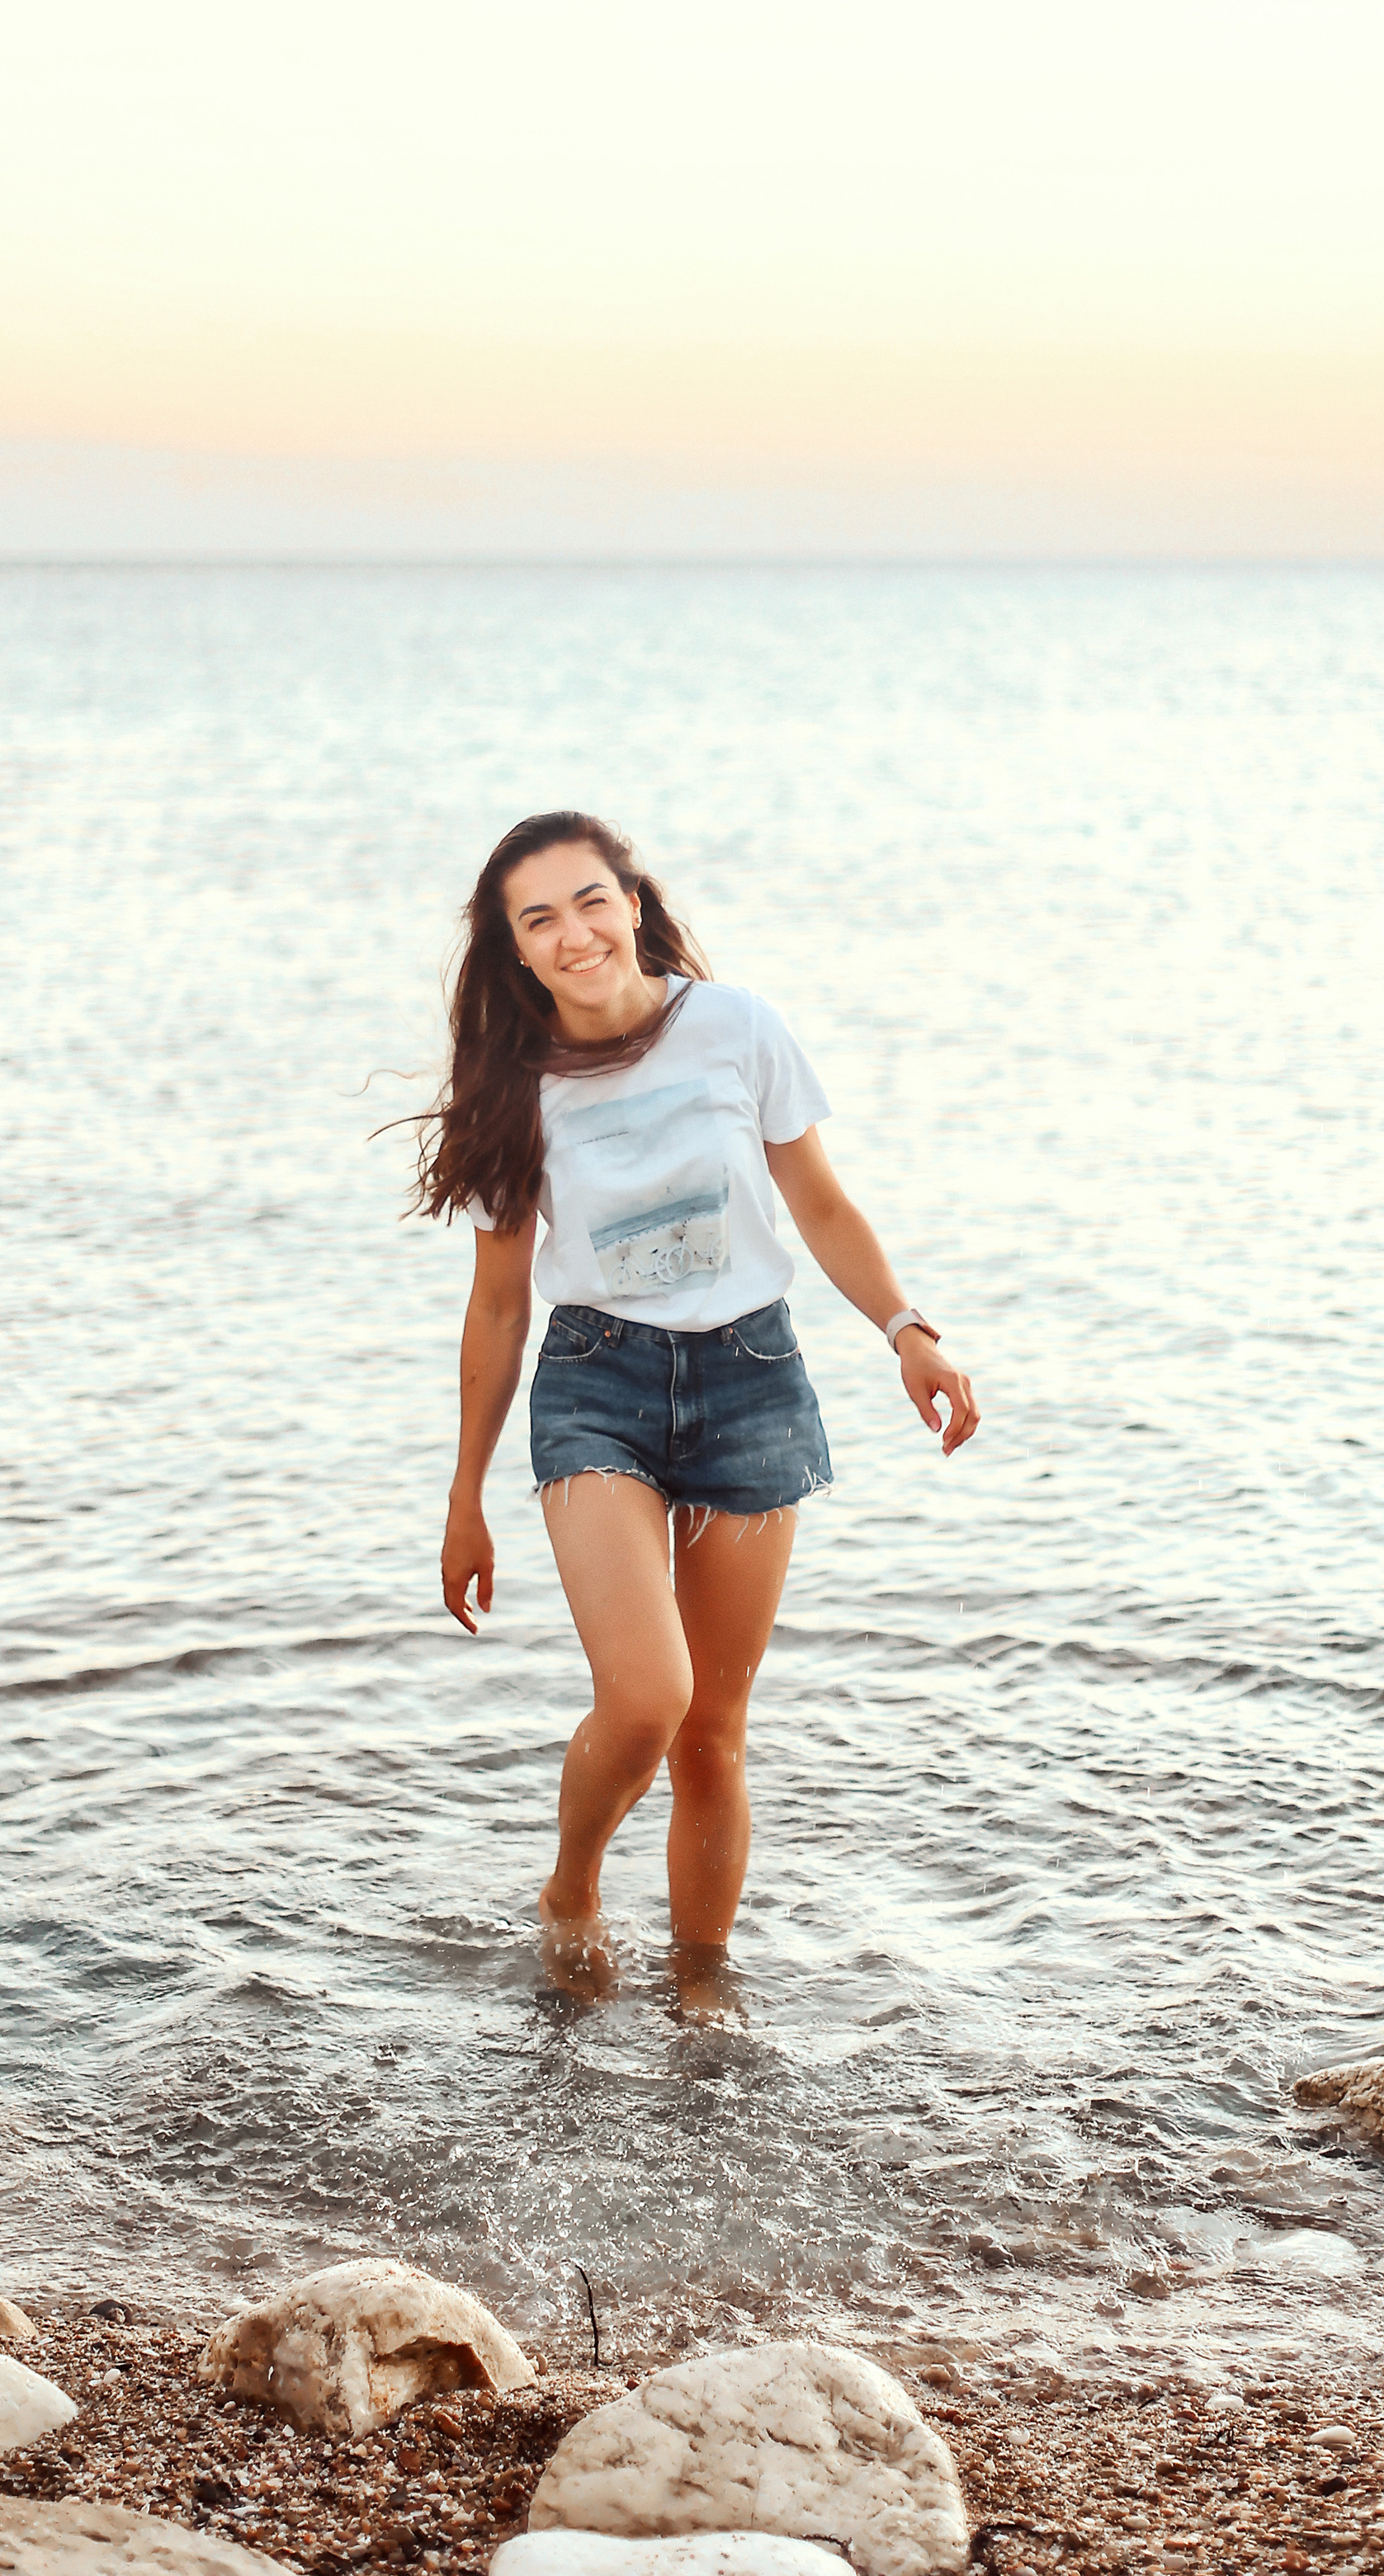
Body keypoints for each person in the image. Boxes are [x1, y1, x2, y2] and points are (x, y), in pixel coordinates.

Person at [414, 810, 977, 1997]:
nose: (574, 935)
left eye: (589, 902)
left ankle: (704, 1993)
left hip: (751, 1381)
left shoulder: (734, 1029)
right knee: (649, 1695)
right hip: (595, 1386)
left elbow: (818, 1204)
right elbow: (501, 1307)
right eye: (539, 920)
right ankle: (573, 1880)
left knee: (713, 1736)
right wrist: (465, 1496)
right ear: (513, 950)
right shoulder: (513, 1089)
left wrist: (905, 1330)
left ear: (631, 902)